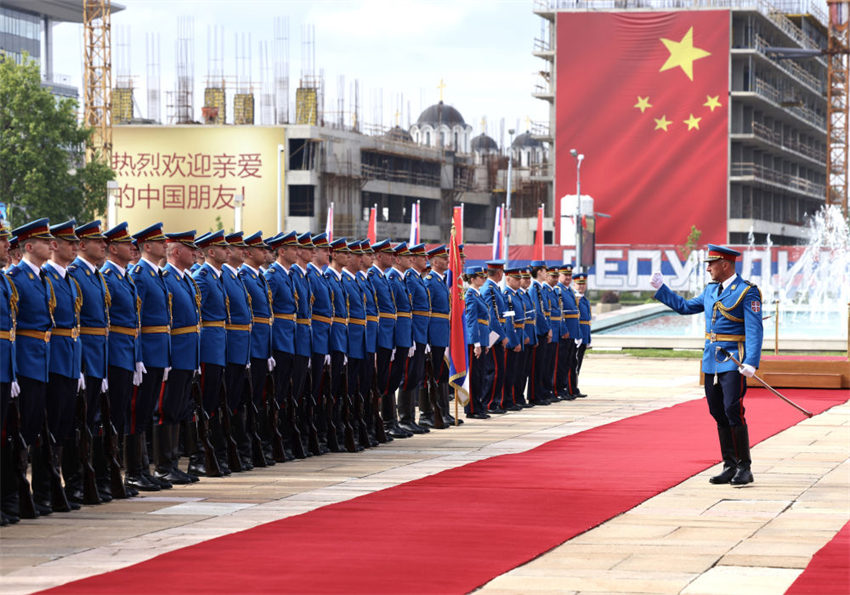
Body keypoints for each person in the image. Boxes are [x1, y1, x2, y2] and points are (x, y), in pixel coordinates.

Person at [651, 244, 763, 486]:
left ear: (725, 264)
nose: (708, 268)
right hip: (712, 361)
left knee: (733, 410)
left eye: (712, 264)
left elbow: (755, 329)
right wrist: (662, 289)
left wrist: (751, 362)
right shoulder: (711, 290)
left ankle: (744, 467)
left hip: (733, 360)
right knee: (717, 412)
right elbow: (685, 307)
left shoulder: (747, 291)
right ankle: (729, 465)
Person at [4, 218, 56, 519]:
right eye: (45, 241)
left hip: (42, 360)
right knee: (20, 430)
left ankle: (32, 494)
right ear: (29, 246)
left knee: (35, 428)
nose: (51, 245)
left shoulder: (42, 278)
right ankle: (15, 494)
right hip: (24, 362)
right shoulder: (16, 278)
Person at [67, 220, 113, 501]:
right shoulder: (76, 275)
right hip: (85, 357)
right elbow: (77, 325)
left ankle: (93, 477)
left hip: (99, 355)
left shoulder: (95, 275)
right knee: (80, 421)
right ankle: (78, 481)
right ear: (83, 245)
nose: (103, 245)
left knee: (94, 420)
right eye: (98, 241)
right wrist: (81, 364)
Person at [127, 223, 171, 492]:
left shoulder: (156, 274)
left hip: (158, 352)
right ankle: (135, 471)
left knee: (145, 414)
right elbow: (137, 320)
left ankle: (144, 469)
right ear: (147, 246)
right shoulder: (140, 275)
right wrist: (138, 356)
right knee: (138, 413)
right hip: (147, 353)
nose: (165, 245)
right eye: (160, 242)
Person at [158, 231, 201, 484]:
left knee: (179, 409)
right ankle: (164, 465)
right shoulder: (167, 279)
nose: (195, 253)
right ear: (176, 252)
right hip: (175, 354)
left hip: (187, 354)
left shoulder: (185, 280)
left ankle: (173, 463)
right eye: (190, 249)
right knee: (168, 409)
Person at [462, 266, 491, 419]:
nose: (483, 279)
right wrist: (476, 343)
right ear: (472, 279)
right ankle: (472, 408)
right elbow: (471, 321)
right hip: (475, 340)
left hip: (482, 338)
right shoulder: (470, 295)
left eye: (484, 277)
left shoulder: (478, 294)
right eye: (480, 277)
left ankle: (478, 406)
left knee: (480, 375)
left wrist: (485, 342)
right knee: (474, 375)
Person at [573, 271, 591, 398]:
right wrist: (577, 335)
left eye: (583, 284)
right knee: (574, 363)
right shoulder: (576, 300)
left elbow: (587, 321)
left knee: (578, 363)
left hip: (584, 335)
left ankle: (574, 386)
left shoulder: (584, 300)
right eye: (579, 284)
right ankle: (571, 387)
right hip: (578, 335)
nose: (581, 286)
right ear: (574, 285)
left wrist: (588, 337)